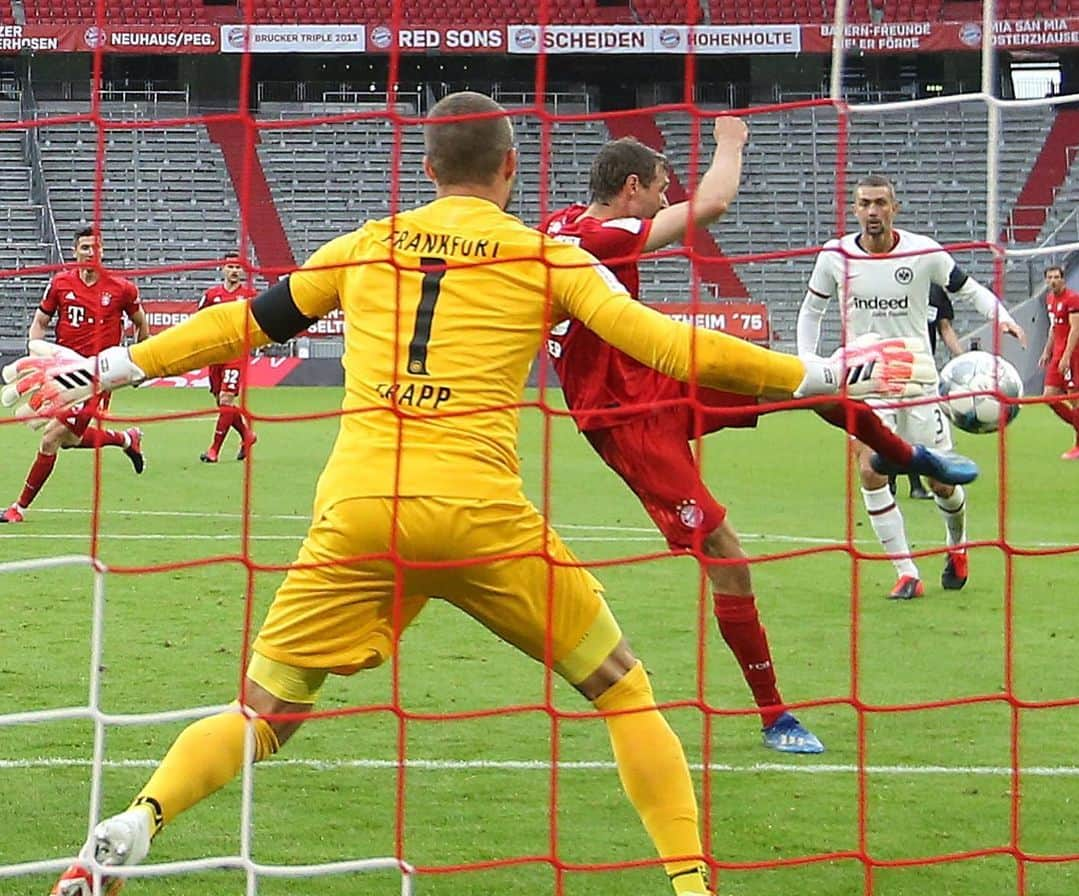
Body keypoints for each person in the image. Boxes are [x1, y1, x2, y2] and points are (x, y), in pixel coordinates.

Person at [4, 93, 932, 896]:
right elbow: (669, 346)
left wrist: (106, 369)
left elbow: (241, 324)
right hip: (482, 515)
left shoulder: (372, 244)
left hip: (361, 510)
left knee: (262, 714)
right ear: (512, 167)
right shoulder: (543, 255)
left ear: (428, 165)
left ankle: (137, 821)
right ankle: (690, 883)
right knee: (623, 692)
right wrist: (822, 371)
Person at [543, 131, 976, 752]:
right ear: (631, 188)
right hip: (625, 422)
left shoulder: (562, 225)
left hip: (659, 377)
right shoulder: (602, 238)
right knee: (728, 554)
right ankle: (775, 716)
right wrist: (729, 139)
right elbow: (714, 202)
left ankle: (909, 455)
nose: (669, 198)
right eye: (662, 189)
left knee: (814, 385)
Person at [797, 174, 1026, 599]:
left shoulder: (924, 252)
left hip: (918, 378)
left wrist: (1002, 317)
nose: (872, 212)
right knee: (869, 468)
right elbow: (812, 310)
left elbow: (969, 288)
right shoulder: (835, 256)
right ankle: (906, 572)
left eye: (881, 203)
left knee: (940, 481)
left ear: (894, 208)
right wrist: (807, 364)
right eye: (865, 203)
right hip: (864, 380)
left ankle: (957, 547)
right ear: (855, 209)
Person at [0, 226, 147, 525]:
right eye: (84, 248)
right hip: (63, 373)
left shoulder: (121, 289)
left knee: (51, 437)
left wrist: (140, 363)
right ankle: (126, 439)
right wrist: (36, 354)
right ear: (75, 251)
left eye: (96, 247)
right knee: (68, 439)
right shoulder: (60, 284)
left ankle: (18, 508)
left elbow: (141, 324)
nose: (90, 253)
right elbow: (40, 321)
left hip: (98, 376)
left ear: (102, 251)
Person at [893, 283, 964, 499]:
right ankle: (888, 482)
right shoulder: (892, 285)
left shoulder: (934, 291)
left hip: (922, 370)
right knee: (890, 425)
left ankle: (916, 485)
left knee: (918, 428)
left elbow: (945, 328)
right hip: (890, 365)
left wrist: (962, 358)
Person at [197, 254, 257, 463]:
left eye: (237, 267)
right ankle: (247, 436)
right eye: (230, 266)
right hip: (215, 353)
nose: (234, 271)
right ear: (222, 269)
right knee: (221, 401)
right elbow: (198, 321)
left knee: (226, 399)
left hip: (236, 353)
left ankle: (214, 451)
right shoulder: (212, 295)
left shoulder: (250, 295)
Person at [1037, 264, 1079, 460]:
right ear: (1046, 280)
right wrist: (1047, 351)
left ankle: (1078, 446)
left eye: (1056, 277)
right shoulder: (1050, 299)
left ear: (1063, 279)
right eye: (1050, 277)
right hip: (1057, 355)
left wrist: (1066, 356)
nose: (1053, 281)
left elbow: (1076, 330)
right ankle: (1078, 423)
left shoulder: (1073, 299)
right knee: (1048, 397)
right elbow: (1054, 328)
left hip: (1072, 355)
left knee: (1074, 399)